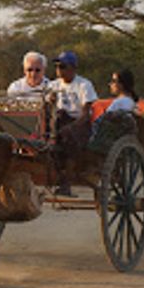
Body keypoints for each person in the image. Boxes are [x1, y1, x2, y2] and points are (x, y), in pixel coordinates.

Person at [47, 51, 97, 195]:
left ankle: (66, 182)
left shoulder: (84, 85)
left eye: (62, 66)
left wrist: (71, 128)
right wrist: (50, 101)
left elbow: (86, 114)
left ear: (72, 68)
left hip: (79, 123)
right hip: (59, 121)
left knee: (68, 140)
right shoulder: (53, 85)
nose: (59, 70)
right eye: (57, 66)